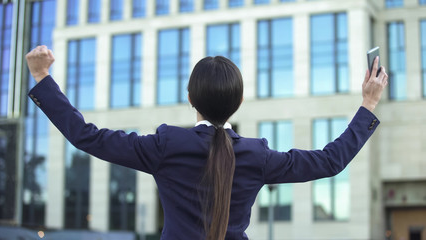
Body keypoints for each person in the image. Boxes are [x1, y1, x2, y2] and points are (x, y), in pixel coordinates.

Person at [26, 45, 388, 240]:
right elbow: (329, 161)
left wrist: (42, 76)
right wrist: (368, 103)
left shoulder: (166, 146)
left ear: (190, 99)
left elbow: (87, 136)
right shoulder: (256, 155)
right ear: (240, 103)